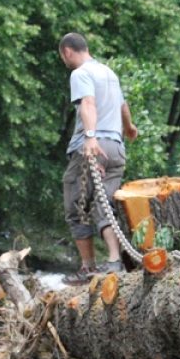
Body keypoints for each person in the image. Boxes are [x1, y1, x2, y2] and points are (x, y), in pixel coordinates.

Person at [58, 32, 138, 285]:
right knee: (105, 205)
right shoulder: (108, 73)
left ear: (67, 52)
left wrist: (90, 137)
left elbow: (88, 103)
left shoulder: (80, 73)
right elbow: (123, 106)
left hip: (93, 147)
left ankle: (87, 267)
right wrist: (129, 127)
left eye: (63, 58)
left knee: (76, 207)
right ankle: (115, 261)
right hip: (116, 148)